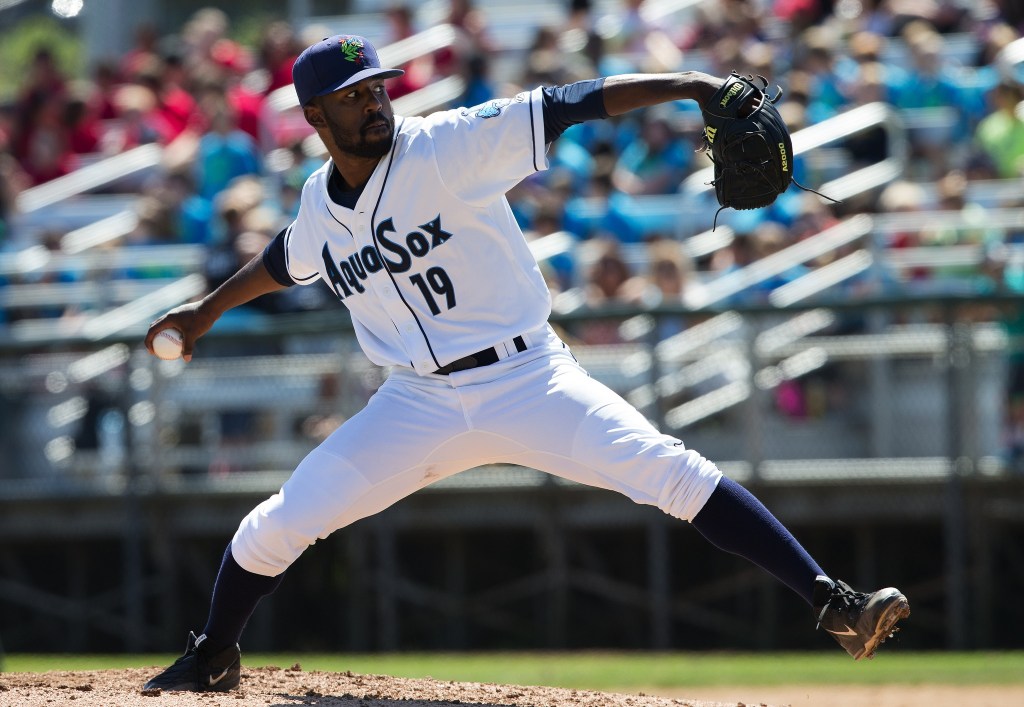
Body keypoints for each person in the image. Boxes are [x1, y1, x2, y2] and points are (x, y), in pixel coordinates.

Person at [143, 34, 910, 692]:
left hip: (528, 380)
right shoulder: (318, 200)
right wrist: (206, 310)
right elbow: (288, 256)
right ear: (314, 116)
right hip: (414, 404)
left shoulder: (445, 144)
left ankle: (837, 601)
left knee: (670, 472)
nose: (373, 102)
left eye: (377, 87)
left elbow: (566, 103)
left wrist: (694, 85)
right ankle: (214, 654)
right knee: (276, 523)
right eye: (351, 97)